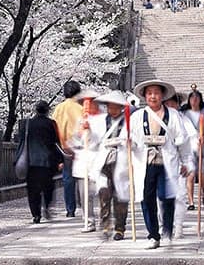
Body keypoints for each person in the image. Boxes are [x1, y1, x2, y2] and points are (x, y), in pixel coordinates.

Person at [134, 79, 197, 247]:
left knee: (166, 196)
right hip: (145, 162)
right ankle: (153, 234)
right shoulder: (138, 116)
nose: (153, 96)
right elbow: (132, 140)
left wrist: (187, 162)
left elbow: (182, 141)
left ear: (162, 95)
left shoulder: (174, 115)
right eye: (149, 93)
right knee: (146, 198)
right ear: (145, 96)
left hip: (167, 161)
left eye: (156, 93)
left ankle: (167, 231)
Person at [95, 90, 141, 240]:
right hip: (105, 162)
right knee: (104, 194)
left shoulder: (129, 121)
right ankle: (105, 224)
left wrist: (130, 143)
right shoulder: (101, 122)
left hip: (121, 162)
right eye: (110, 107)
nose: (112, 110)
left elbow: (136, 142)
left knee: (121, 197)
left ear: (121, 108)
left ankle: (120, 228)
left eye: (116, 107)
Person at [19, 100, 63, 223]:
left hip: (30, 161)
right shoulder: (51, 124)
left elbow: (22, 142)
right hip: (47, 161)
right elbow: (56, 142)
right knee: (48, 187)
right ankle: (47, 207)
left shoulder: (27, 124)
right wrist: (60, 160)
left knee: (33, 189)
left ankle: (36, 214)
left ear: (36, 110)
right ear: (47, 110)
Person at [71, 88, 105, 231]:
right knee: (84, 194)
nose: (86, 107)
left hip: (99, 159)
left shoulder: (104, 119)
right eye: (84, 104)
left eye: (89, 104)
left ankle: (106, 219)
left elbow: (102, 139)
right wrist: (80, 134)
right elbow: (74, 141)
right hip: (83, 161)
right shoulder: (80, 121)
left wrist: (90, 130)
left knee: (103, 192)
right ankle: (88, 221)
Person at [51, 81, 85, 218]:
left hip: (65, 147)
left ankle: (70, 209)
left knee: (68, 178)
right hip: (80, 146)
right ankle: (84, 206)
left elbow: (54, 127)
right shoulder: (81, 108)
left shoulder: (59, 108)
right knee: (82, 177)